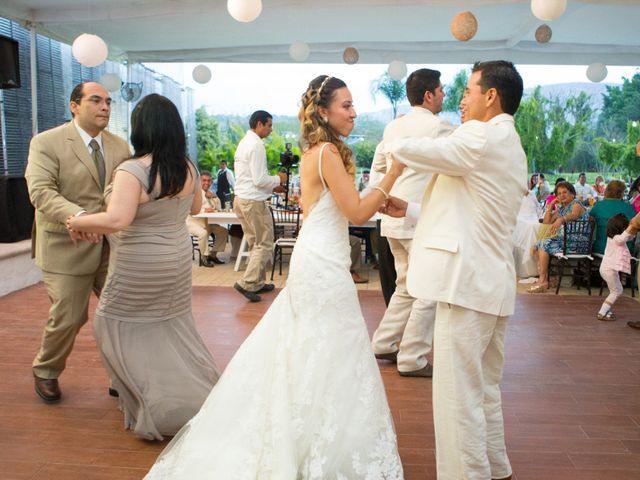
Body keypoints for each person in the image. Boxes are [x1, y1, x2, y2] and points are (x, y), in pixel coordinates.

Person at [144, 75, 404, 479]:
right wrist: (391, 175)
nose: (354, 112)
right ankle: (317, 441)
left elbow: (336, 206)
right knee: (330, 347)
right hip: (323, 263)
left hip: (319, 255)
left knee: (315, 348)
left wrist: (383, 202)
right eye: (347, 105)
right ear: (323, 111)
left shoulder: (317, 151)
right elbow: (355, 212)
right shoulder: (328, 154)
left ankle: (310, 435)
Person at [380, 60, 526, 480]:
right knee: (482, 390)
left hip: (467, 286)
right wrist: (408, 208)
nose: (460, 101)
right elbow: (472, 210)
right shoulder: (509, 142)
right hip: (490, 285)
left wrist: (397, 136)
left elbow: (430, 152)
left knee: (456, 397)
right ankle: (496, 469)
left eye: (468, 92)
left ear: (491, 96)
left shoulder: (481, 134)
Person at [67, 94, 220, 440]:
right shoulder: (188, 167)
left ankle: (145, 398)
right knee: (172, 327)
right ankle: (187, 394)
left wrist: (78, 221)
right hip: (177, 261)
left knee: (110, 323)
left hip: (139, 264)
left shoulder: (133, 169)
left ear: (141, 129)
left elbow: (119, 218)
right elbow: (195, 207)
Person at [25, 81, 131, 403]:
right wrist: (79, 217)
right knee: (71, 316)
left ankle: (121, 377)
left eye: (109, 102)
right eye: (96, 101)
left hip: (109, 246)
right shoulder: (46, 143)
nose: (105, 108)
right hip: (65, 245)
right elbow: (41, 191)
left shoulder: (120, 147)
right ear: (74, 105)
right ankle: (46, 370)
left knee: (120, 313)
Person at [371, 68, 455, 378]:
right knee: (429, 289)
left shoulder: (393, 127)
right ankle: (413, 357)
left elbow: (380, 164)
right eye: (441, 90)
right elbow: (457, 163)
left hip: (392, 216)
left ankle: (383, 342)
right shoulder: (439, 126)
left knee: (406, 285)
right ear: (429, 95)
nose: (444, 95)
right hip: (419, 216)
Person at [232, 110, 287, 302]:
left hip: (241, 199)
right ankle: (247, 283)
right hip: (253, 201)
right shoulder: (256, 145)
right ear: (259, 124)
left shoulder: (244, 143)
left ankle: (258, 283)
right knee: (264, 243)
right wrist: (279, 178)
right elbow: (259, 179)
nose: (271, 130)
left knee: (256, 243)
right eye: (269, 125)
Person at [529, 181, 587, 293]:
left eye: (565, 192)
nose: (561, 195)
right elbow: (546, 222)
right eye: (559, 193)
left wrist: (561, 219)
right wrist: (551, 206)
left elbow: (574, 215)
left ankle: (543, 280)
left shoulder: (576, 204)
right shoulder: (562, 208)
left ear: (572, 194)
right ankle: (546, 278)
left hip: (577, 242)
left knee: (544, 244)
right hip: (564, 241)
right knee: (537, 245)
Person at [186, 170, 229, 267]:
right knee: (203, 233)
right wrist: (204, 210)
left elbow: (218, 207)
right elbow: (190, 209)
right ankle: (204, 256)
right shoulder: (193, 193)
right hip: (193, 222)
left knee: (223, 231)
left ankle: (213, 255)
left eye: (209, 181)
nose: (206, 183)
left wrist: (213, 196)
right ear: (199, 181)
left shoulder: (210, 193)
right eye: (204, 180)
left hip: (207, 222)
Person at [597, 214, 634, 321]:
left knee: (617, 290)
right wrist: (631, 227)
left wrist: (632, 231)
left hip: (607, 269)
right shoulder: (617, 239)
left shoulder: (612, 237)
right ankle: (603, 312)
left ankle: (605, 310)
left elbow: (627, 238)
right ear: (621, 228)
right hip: (609, 270)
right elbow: (623, 238)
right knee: (616, 291)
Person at [588, 179, 635, 255]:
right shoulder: (629, 207)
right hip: (624, 249)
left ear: (607, 191)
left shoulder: (598, 205)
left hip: (601, 248)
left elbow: (589, 222)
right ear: (622, 193)